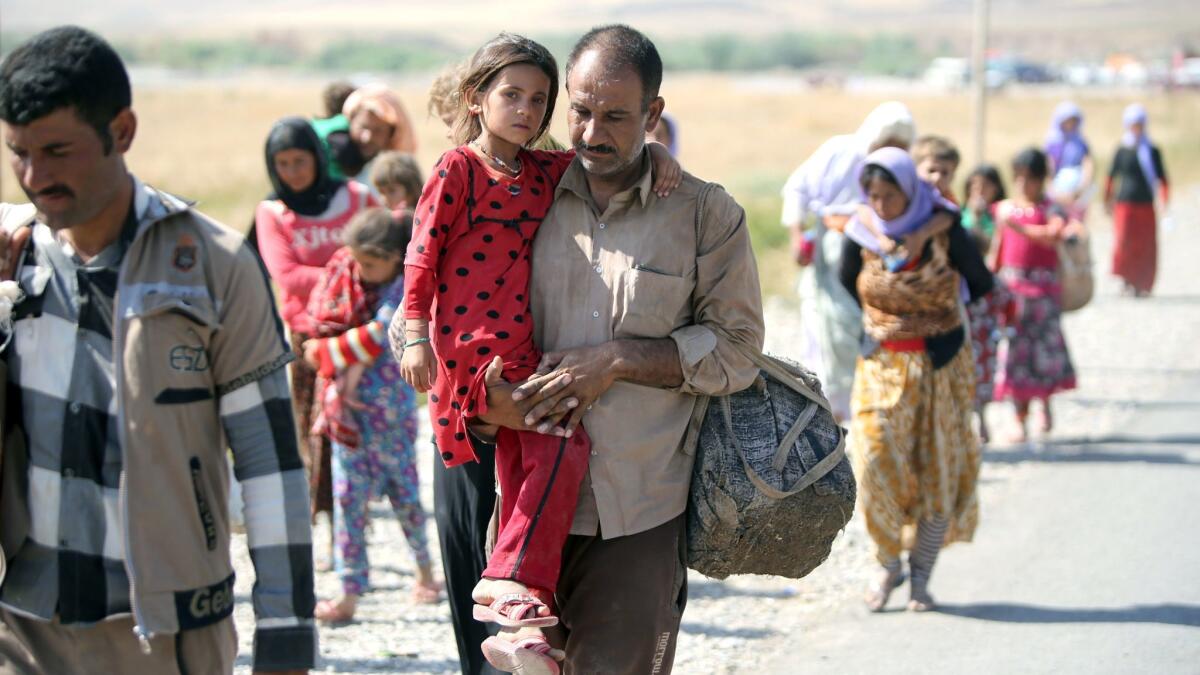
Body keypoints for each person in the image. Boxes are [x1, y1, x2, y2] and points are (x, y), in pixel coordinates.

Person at [0, 26, 314, 673]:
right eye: (18, 153)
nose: (35, 177)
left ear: (122, 131)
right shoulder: (12, 258)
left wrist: (285, 631)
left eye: (57, 150)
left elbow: (267, 459)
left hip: (168, 633)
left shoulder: (213, 264)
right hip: (24, 627)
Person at [452, 24, 764, 673]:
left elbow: (738, 351)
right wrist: (486, 405)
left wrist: (618, 359)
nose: (593, 133)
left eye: (617, 116)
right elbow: (455, 316)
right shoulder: (517, 196)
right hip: (523, 524)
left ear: (654, 114)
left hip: (637, 520)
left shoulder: (704, 214)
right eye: (581, 111)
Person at [396, 33, 681, 673]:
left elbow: (605, 163)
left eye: (539, 101)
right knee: (560, 443)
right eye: (511, 96)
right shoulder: (456, 170)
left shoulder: (543, 171)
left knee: (536, 462)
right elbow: (421, 255)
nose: (525, 110)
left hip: (520, 350)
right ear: (477, 99)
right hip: (473, 357)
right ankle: (513, 582)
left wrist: (656, 152)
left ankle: (522, 616)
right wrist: (415, 334)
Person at [839, 147, 993, 613]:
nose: (882, 206)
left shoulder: (945, 232)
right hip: (881, 364)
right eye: (875, 195)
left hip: (938, 368)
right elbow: (848, 281)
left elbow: (982, 283)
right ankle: (887, 561)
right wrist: (889, 317)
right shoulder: (862, 231)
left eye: (891, 196)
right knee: (873, 460)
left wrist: (932, 306)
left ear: (911, 192)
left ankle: (921, 577)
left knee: (936, 470)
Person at [301, 208, 441, 622]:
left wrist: (325, 356)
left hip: (390, 418)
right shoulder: (352, 287)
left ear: (397, 258)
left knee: (407, 500)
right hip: (351, 423)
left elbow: (378, 336)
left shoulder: (403, 291)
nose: (361, 270)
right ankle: (349, 592)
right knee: (349, 503)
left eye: (371, 263)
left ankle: (426, 572)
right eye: (358, 261)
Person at [255, 117, 376, 554]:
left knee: (372, 433)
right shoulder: (272, 212)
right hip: (308, 344)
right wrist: (350, 269)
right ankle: (326, 533)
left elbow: (385, 250)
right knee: (316, 436)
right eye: (282, 163)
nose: (292, 171)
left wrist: (337, 276)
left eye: (299, 160)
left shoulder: (359, 196)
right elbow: (284, 273)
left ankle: (371, 526)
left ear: (317, 158)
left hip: (366, 339)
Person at [780, 101, 916, 421]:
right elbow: (798, 188)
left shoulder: (898, 169)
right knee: (829, 332)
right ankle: (834, 418)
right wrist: (797, 236)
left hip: (877, 264)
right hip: (831, 258)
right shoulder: (840, 152)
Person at [992, 148, 1078, 442]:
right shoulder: (1006, 209)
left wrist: (1019, 226)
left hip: (1043, 294)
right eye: (1018, 177)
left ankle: (1045, 406)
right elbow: (998, 249)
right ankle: (1020, 418)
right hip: (1013, 293)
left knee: (1044, 353)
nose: (1023, 184)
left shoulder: (1050, 209)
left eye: (1030, 178)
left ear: (1041, 180)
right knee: (1015, 355)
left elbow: (1054, 233)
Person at [961, 164, 1010, 444]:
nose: (979, 192)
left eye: (985, 185)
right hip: (971, 334)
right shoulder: (957, 217)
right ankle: (974, 422)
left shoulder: (998, 216)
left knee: (981, 378)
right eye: (974, 185)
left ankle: (980, 420)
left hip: (982, 334)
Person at [1105, 103, 1169, 298]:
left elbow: (1162, 178)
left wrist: (1165, 201)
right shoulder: (1123, 149)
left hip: (1146, 205)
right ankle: (1126, 280)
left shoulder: (1152, 150)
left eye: (1140, 123)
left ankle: (1142, 283)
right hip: (1125, 204)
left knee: (1146, 245)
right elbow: (1111, 176)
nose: (1137, 128)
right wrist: (1106, 199)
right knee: (1125, 242)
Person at [343, 84, 419, 190]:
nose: (367, 138)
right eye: (362, 127)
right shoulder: (331, 162)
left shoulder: (402, 177)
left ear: (391, 133)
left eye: (377, 131)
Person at [1044, 101, 1095, 221]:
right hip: (1057, 193)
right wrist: (1053, 191)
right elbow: (1048, 168)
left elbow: (1088, 165)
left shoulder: (1081, 143)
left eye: (1073, 121)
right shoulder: (1052, 143)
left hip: (1077, 193)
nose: (1070, 124)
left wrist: (1081, 189)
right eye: (1067, 121)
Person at [911, 134, 960, 204]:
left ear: (952, 177)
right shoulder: (906, 201)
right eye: (931, 171)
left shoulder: (951, 206)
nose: (937, 178)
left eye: (944, 173)